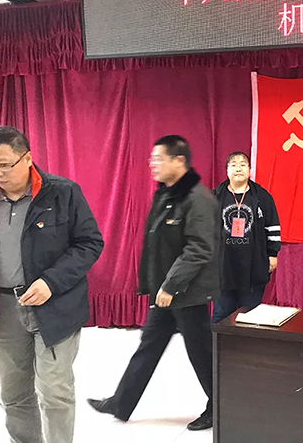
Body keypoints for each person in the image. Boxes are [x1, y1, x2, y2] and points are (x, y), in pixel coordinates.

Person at [87, 135, 220, 431]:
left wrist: (171, 285)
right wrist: (159, 285)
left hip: (188, 292)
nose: (152, 164)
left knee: (201, 353)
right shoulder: (167, 195)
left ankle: (220, 406)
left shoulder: (197, 199)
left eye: (158, 159)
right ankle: (121, 402)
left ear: (179, 161)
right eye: (152, 159)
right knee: (149, 345)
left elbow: (199, 249)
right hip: (165, 292)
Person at [0, 126, 104, 443]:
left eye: (4, 165)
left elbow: (89, 243)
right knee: (13, 393)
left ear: (27, 158)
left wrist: (50, 282)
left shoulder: (62, 193)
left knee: (54, 390)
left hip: (56, 304)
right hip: (3, 309)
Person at [211, 152, 281, 323]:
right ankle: (217, 342)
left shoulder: (262, 197)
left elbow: (273, 226)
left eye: (243, 164)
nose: (238, 168)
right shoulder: (215, 196)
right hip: (222, 266)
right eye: (234, 165)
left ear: (250, 169)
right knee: (221, 313)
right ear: (227, 170)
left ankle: (245, 342)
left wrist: (273, 254)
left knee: (250, 315)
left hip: (253, 265)